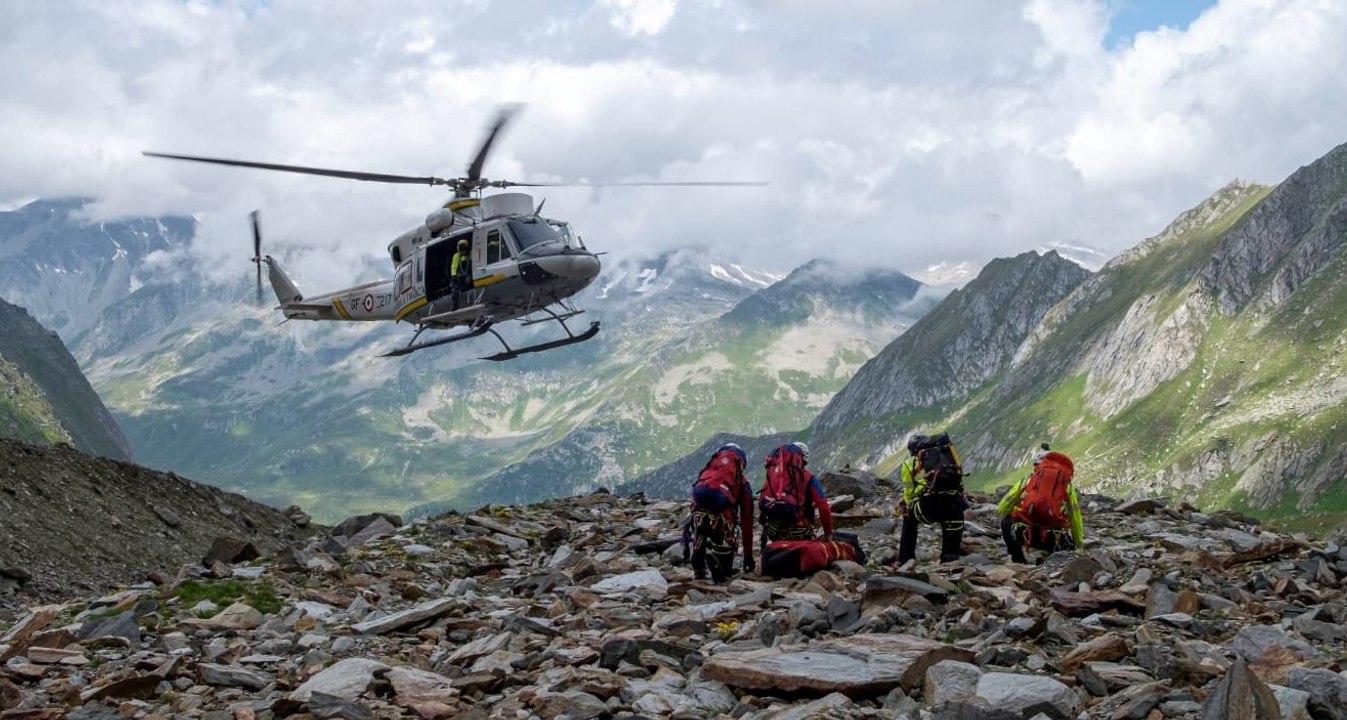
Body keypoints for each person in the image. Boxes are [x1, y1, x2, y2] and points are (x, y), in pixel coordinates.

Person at [998, 445, 1083, 564]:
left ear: (1038, 466)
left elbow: (1003, 507)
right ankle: (1050, 560)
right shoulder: (1067, 487)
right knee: (1065, 540)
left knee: (1005, 522)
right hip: (1052, 540)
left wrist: (1013, 511)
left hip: (1025, 534)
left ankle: (1018, 559)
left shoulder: (1027, 481)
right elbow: (1075, 519)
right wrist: (1078, 545)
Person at [686, 443, 755, 582]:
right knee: (726, 573)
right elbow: (746, 519)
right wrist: (748, 555)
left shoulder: (708, 473)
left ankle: (699, 564)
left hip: (698, 517)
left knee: (700, 524)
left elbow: (694, 501)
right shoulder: (741, 481)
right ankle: (721, 565)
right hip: (723, 522)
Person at [897, 433, 968, 564]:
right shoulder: (948, 456)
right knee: (952, 525)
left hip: (929, 507)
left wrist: (907, 504)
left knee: (908, 517)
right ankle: (950, 559)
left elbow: (909, 492)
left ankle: (906, 559)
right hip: (954, 504)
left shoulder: (909, 464)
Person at [758, 442, 834, 555]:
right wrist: (828, 534)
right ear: (803, 458)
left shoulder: (773, 477)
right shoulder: (808, 478)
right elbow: (823, 506)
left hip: (774, 533)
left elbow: (764, 500)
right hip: (798, 533)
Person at [449, 238, 471, 308]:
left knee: (468, 281)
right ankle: (455, 304)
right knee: (454, 288)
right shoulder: (456, 256)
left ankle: (465, 290)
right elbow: (454, 266)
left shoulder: (469, 255)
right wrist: (454, 276)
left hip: (467, 274)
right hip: (459, 275)